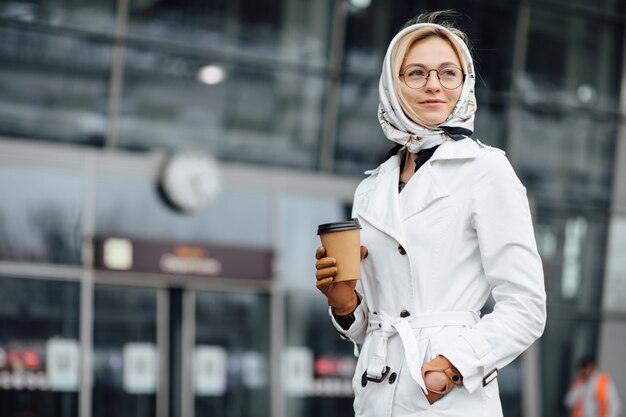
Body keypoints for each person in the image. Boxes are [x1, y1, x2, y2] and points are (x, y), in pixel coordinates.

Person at [314, 10, 547, 417]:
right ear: (393, 83)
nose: (434, 86)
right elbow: (370, 326)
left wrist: (451, 368)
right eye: (417, 73)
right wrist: (344, 303)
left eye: (448, 73)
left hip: (447, 396)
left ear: (465, 81)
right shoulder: (371, 187)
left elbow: (526, 306)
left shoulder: (486, 169)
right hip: (376, 393)